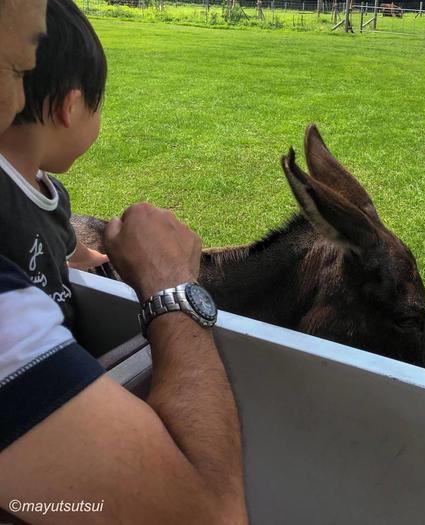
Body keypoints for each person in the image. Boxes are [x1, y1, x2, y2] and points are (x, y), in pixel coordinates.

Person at [0, 1, 248, 523]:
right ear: (70, 108)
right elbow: (210, 513)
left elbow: (65, 248)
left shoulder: (49, 194)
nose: (16, 93)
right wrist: (170, 284)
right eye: (15, 70)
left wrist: (100, 260)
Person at [0, 0, 109, 329]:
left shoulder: (51, 194)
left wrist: (109, 261)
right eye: (99, 106)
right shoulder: (5, 198)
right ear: (70, 107)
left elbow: (72, 251)